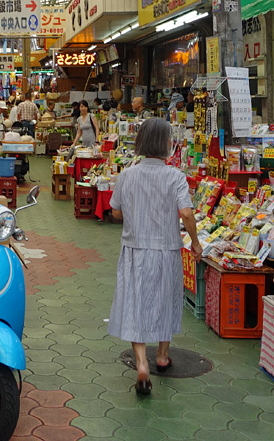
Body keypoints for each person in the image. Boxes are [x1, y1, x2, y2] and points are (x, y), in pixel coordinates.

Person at [107, 118, 202, 396]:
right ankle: (161, 355)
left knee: (135, 301)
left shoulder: (128, 174)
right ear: (166, 145)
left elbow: (115, 212)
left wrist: (136, 216)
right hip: (166, 249)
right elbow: (185, 213)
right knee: (165, 300)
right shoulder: (175, 176)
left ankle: (141, 364)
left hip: (135, 249)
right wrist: (195, 243)